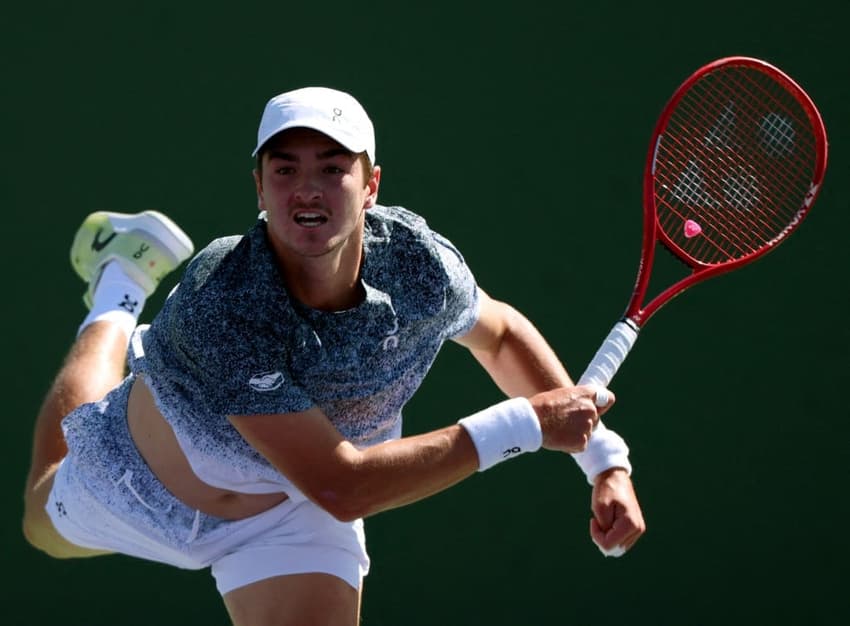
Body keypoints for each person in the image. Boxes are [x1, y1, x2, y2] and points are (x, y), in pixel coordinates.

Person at [22, 86, 646, 625]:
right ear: (259, 187)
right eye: (284, 169)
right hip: (140, 488)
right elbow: (342, 485)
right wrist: (526, 425)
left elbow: (500, 334)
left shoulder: (417, 262)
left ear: (371, 185)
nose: (306, 189)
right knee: (40, 523)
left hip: (295, 514)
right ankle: (118, 289)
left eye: (332, 168)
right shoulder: (226, 297)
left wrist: (603, 462)